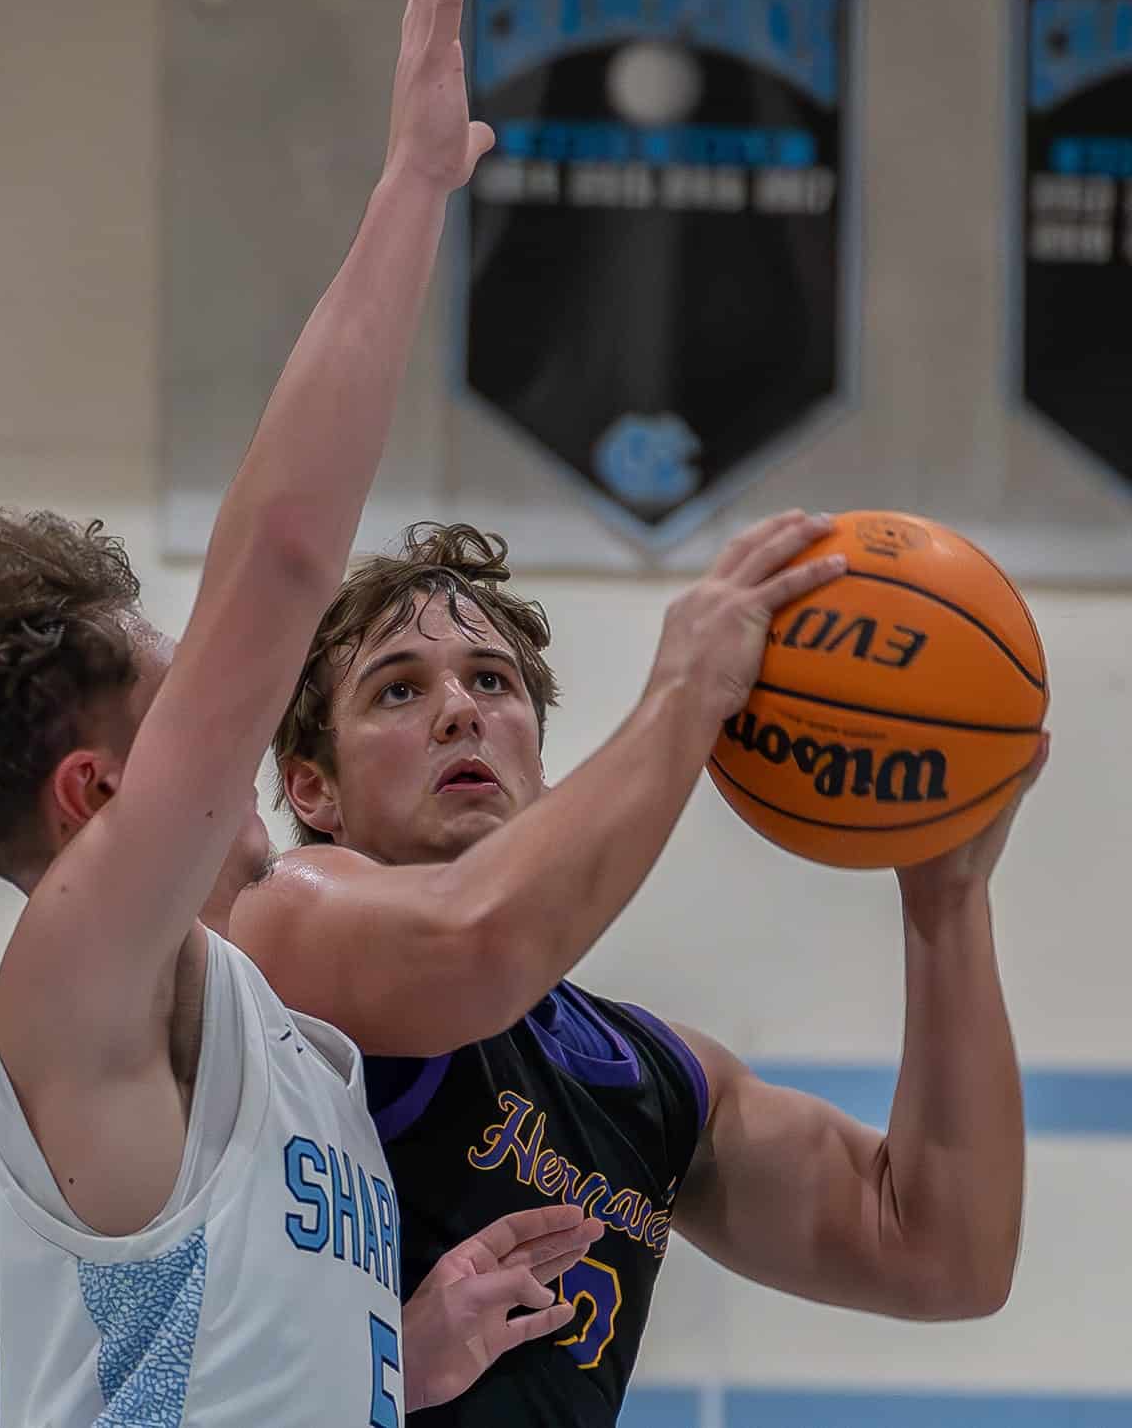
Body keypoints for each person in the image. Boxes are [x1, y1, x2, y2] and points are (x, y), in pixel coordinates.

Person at [0, 0, 612, 1428]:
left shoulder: (244, 1026)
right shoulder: (72, 976)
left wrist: (394, 1350)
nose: (229, 721)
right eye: (186, 701)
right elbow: (290, 553)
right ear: (99, 789)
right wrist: (415, 183)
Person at [216, 517, 1048, 1427]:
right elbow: (475, 944)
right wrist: (687, 692)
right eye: (398, 691)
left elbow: (942, 1256)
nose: (459, 710)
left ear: (536, 748)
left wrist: (945, 904)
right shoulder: (279, 923)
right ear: (311, 789)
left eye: (489, 681)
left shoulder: (649, 1075)